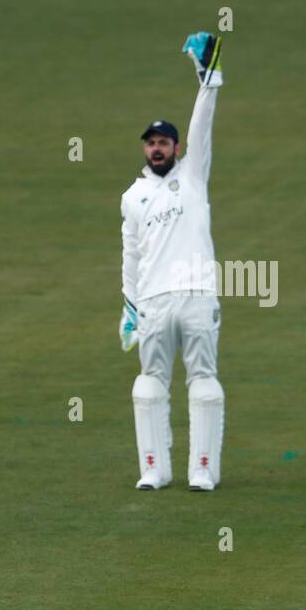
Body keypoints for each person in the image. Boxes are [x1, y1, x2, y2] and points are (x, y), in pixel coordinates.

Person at [120, 32, 226, 491]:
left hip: (198, 295)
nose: (158, 147)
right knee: (148, 385)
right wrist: (128, 309)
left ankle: (201, 469)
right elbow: (130, 254)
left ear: (177, 148)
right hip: (154, 301)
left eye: (165, 141)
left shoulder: (194, 175)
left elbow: (202, 126)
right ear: (145, 149)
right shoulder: (133, 196)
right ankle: (154, 470)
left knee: (203, 382)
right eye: (152, 143)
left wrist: (209, 80)